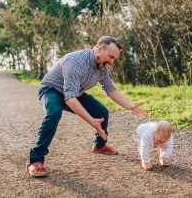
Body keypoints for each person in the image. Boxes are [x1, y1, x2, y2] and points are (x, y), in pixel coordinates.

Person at [26, 36, 145, 177]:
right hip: (51, 90)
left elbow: (110, 89)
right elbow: (69, 99)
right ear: (99, 48)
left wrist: (130, 107)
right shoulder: (75, 61)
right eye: (111, 56)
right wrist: (91, 120)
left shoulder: (102, 67)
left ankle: (99, 145)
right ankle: (35, 160)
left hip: (74, 93)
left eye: (114, 59)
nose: (112, 62)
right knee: (54, 113)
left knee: (102, 112)